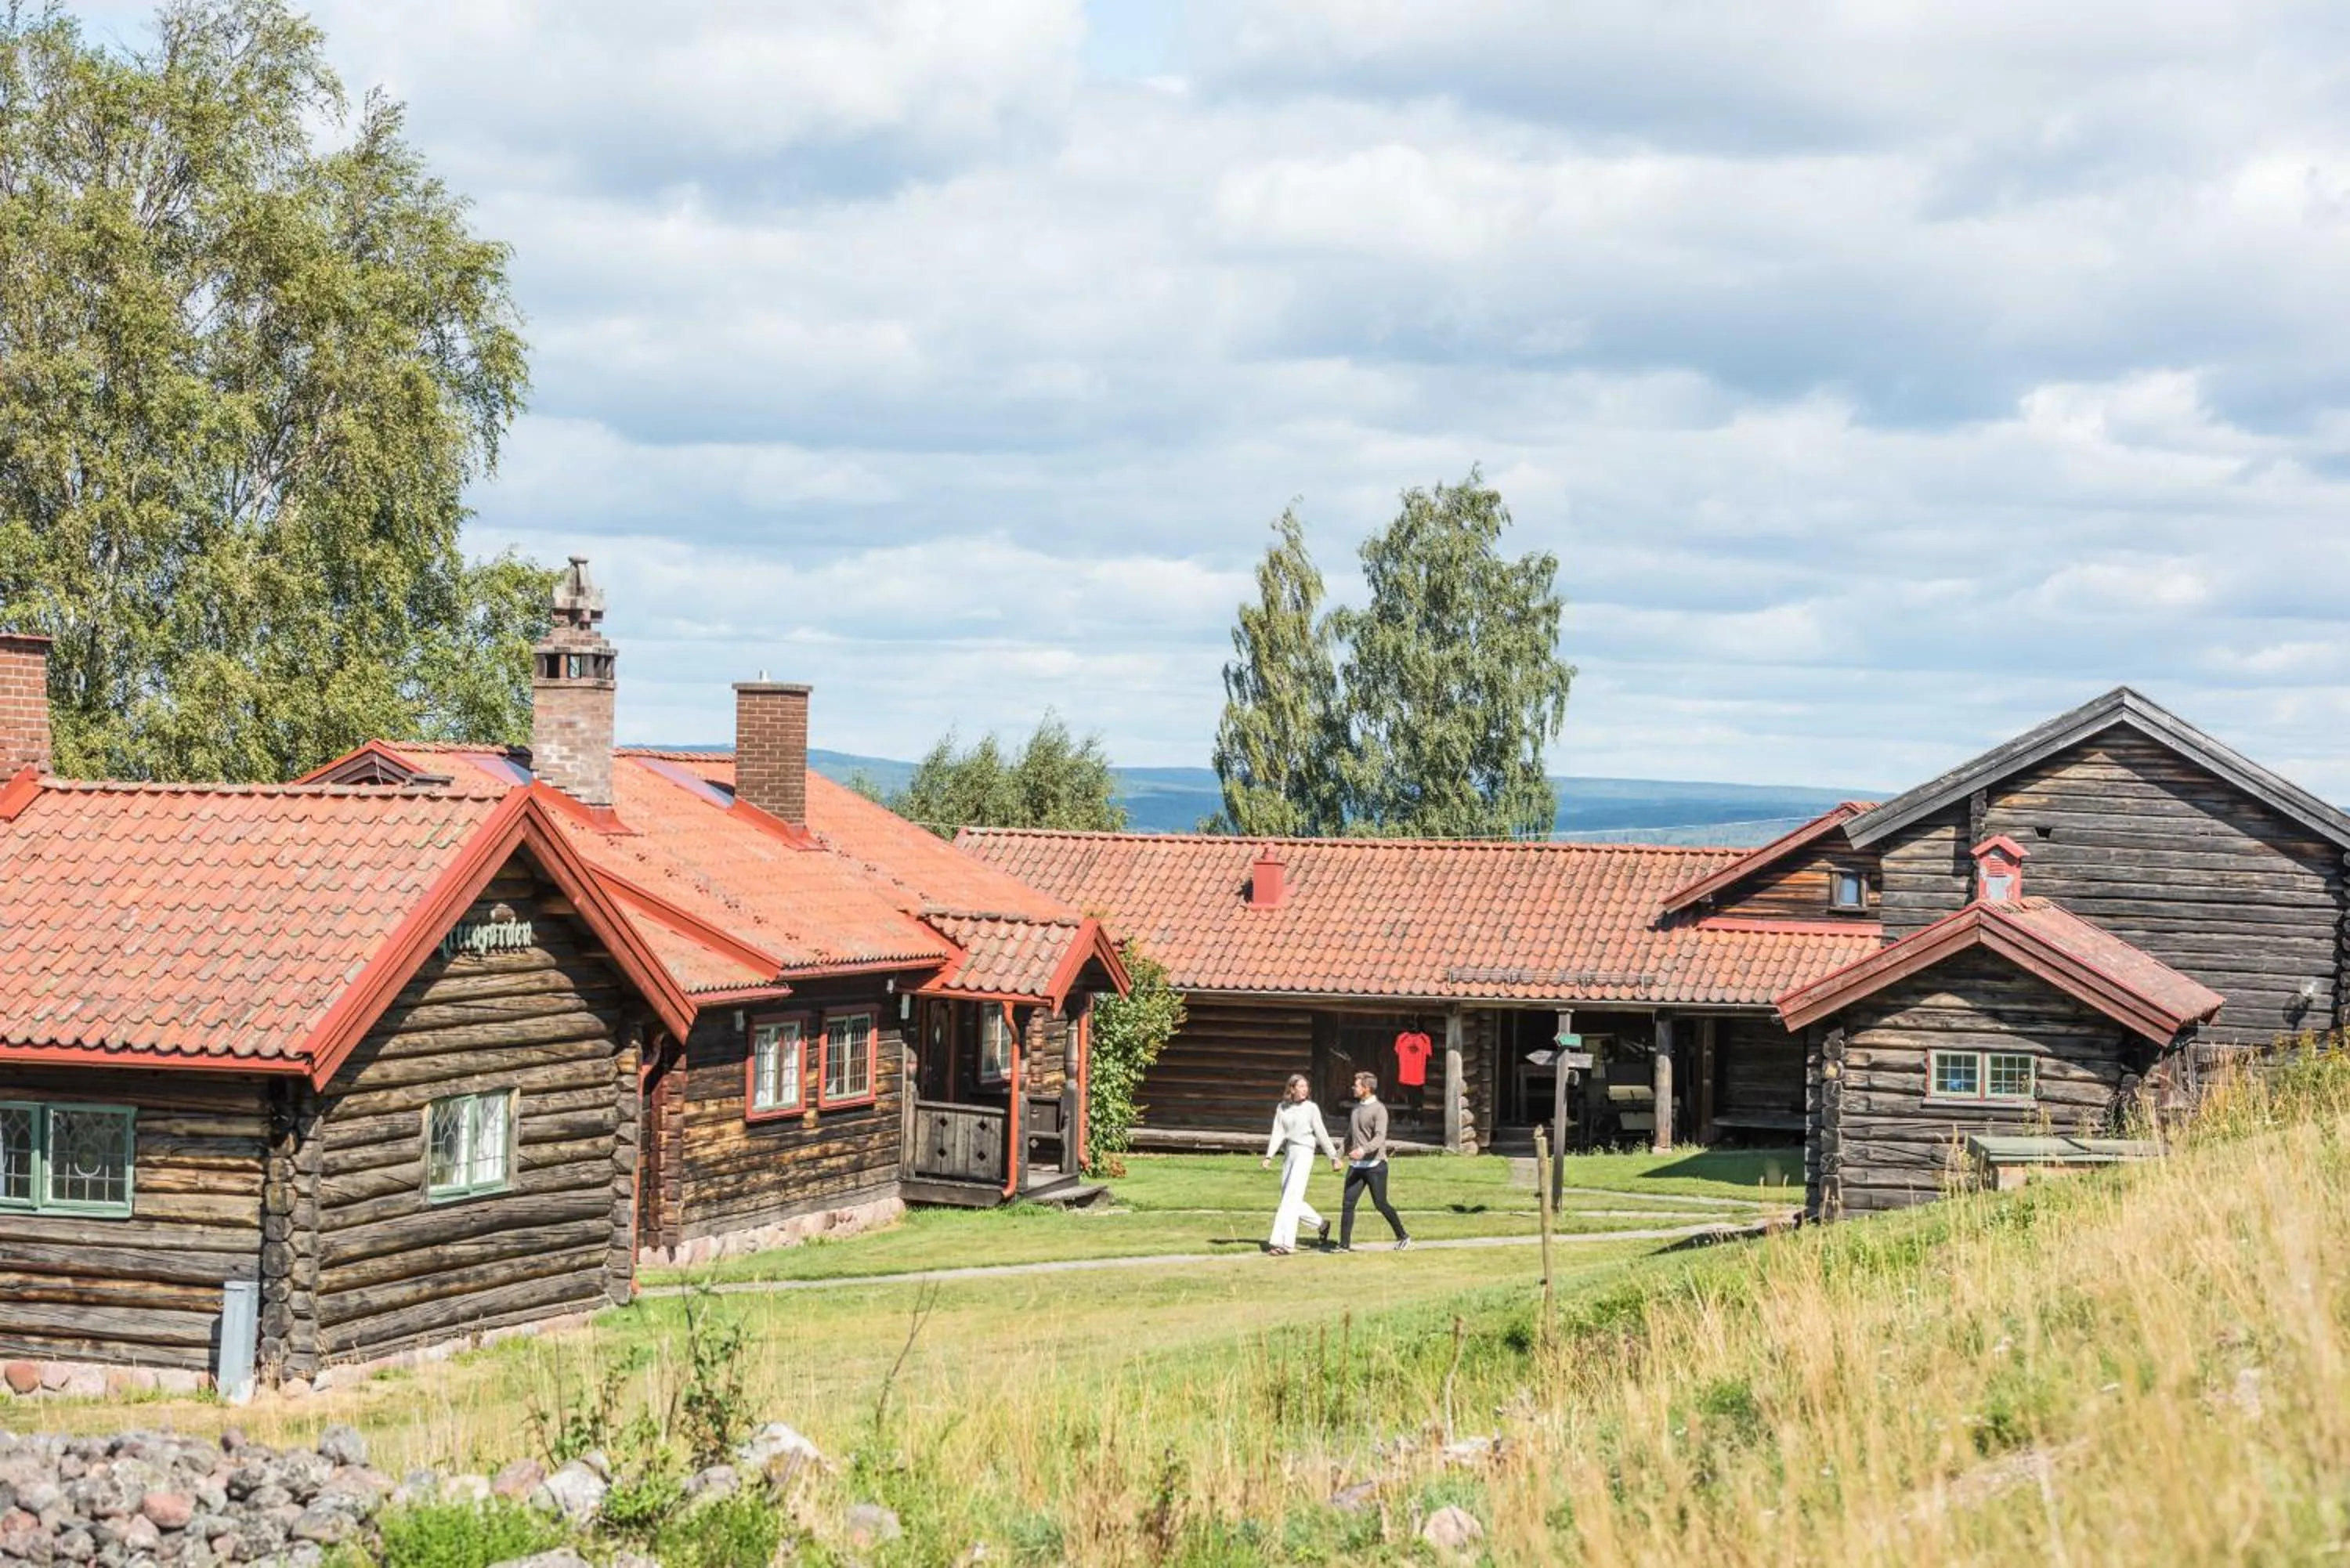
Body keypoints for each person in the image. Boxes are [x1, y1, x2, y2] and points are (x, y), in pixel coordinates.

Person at [1260, 1072, 1342, 1254]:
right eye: (1301, 1086)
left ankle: (1285, 1243)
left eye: (1306, 1087)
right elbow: (1278, 1132)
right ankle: (1321, 1224)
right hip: (1290, 1152)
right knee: (1289, 1198)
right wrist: (1269, 1156)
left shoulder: (1311, 1108)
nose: (1304, 1090)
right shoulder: (1282, 1108)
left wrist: (1334, 1157)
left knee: (1291, 1196)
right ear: (1292, 1089)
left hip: (1305, 1151)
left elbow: (1321, 1132)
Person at [1338, 1071, 1412, 1252]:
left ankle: (1403, 1236)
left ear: (1367, 1088)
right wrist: (1338, 1155)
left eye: (1356, 1085)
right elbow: (1350, 1135)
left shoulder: (1379, 1110)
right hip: (1356, 1167)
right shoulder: (1356, 1109)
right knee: (1348, 1204)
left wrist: (1363, 1150)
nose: (1353, 1088)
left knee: (1381, 1204)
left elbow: (1380, 1138)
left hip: (1375, 1167)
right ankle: (1343, 1245)